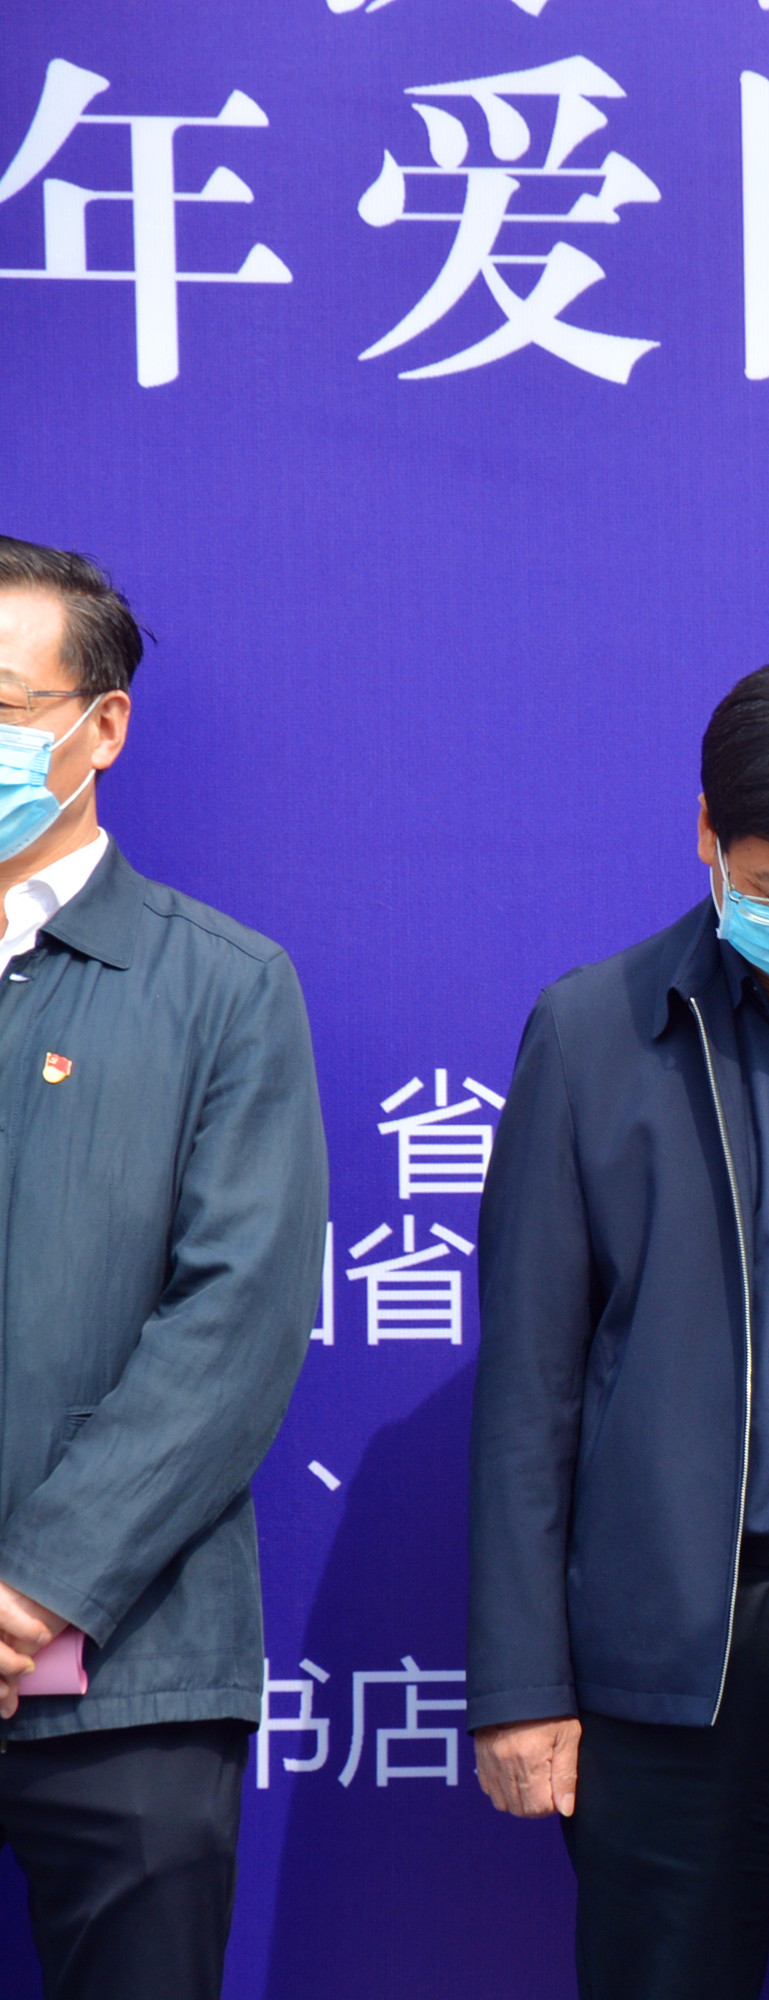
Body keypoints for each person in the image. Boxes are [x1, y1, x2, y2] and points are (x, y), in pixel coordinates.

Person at [469, 654, 769, 2000]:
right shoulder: (594, 1033)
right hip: (677, 1661)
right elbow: (530, 1389)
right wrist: (521, 1686)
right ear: (708, 834)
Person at [0, 538, 328, 1997]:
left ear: (102, 725)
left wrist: (35, 1592)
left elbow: (238, 1316)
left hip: (129, 1669)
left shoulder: (222, 987)